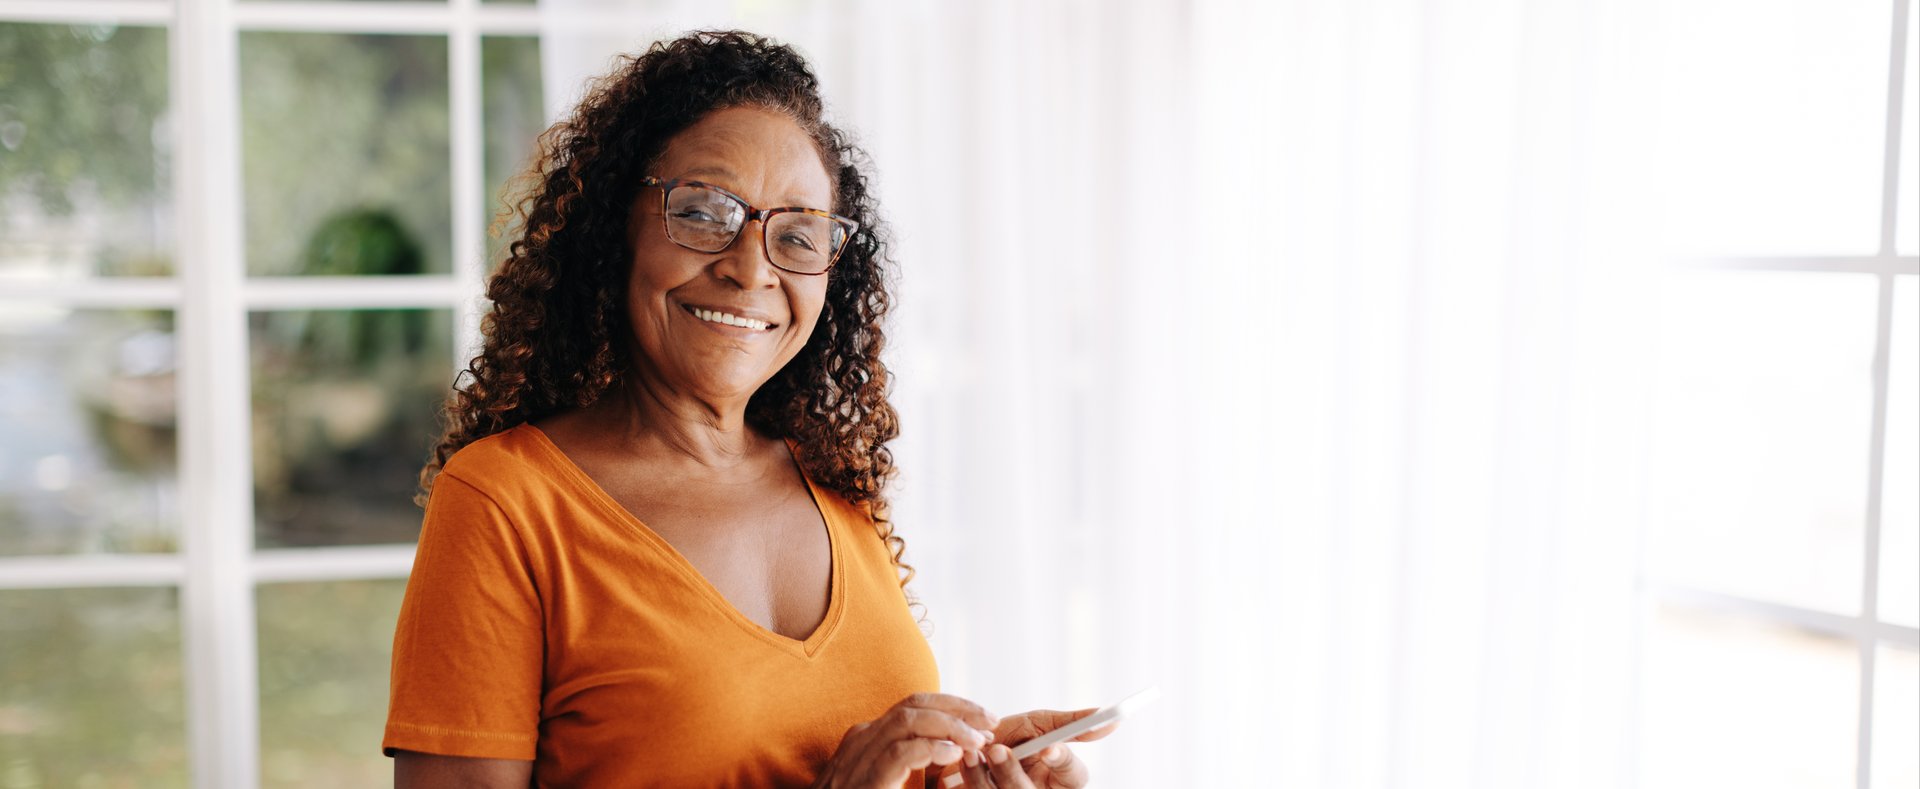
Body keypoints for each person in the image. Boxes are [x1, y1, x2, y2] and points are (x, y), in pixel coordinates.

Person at [383, 31, 1114, 788]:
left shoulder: (831, 480)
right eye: (703, 213)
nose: (749, 268)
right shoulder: (504, 502)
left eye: (798, 235)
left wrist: (970, 773)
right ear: (613, 228)